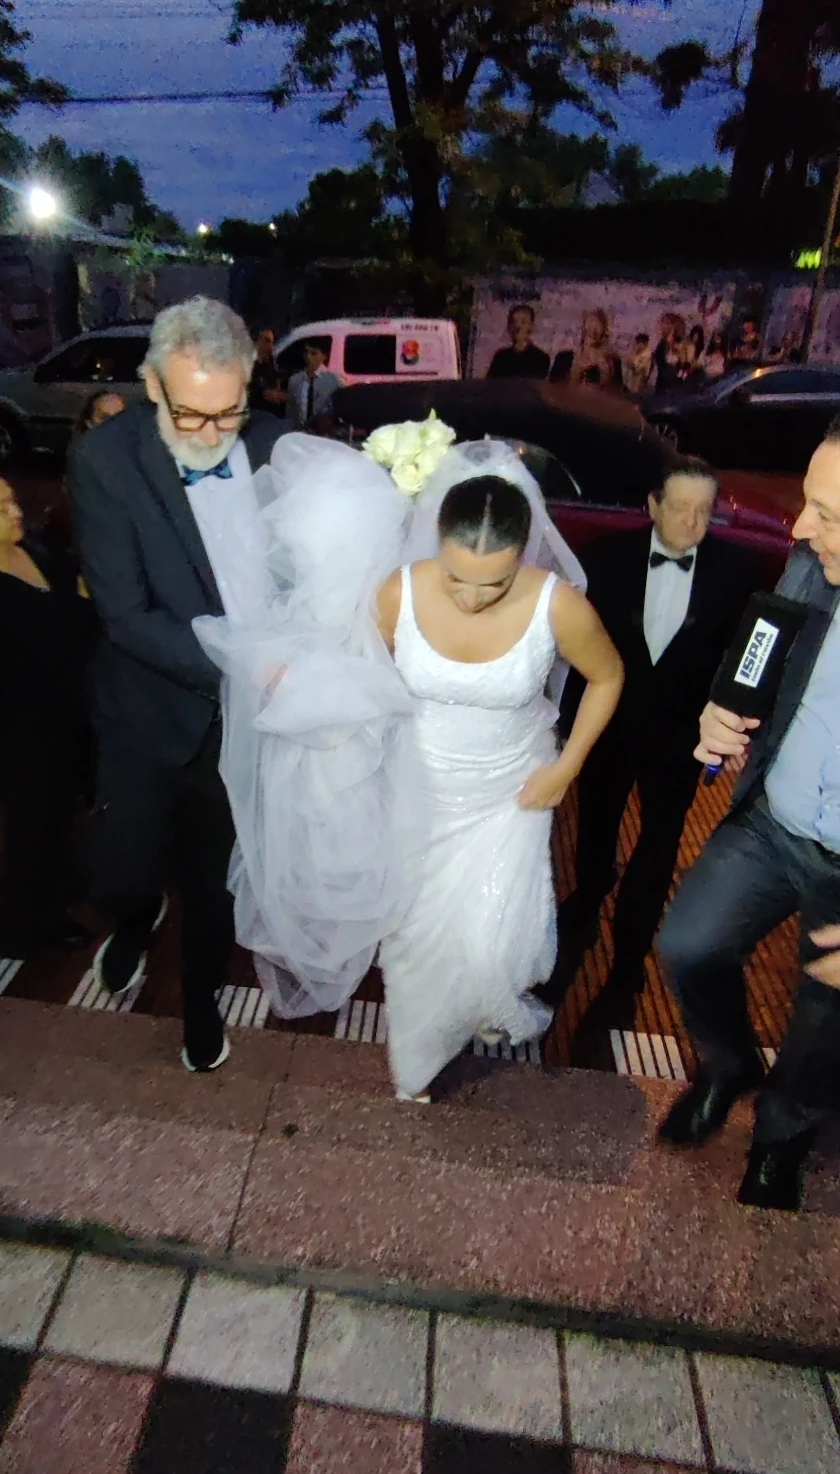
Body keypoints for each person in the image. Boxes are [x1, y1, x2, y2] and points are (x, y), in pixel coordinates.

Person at [195, 435, 622, 1104]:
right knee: (413, 951)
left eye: (495, 582)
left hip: (509, 794)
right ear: (435, 546)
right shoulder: (399, 593)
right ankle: (415, 1070)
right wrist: (302, 684)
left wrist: (567, 766)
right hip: (416, 793)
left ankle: (472, 1007)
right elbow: (359, 672)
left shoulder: (558, 605)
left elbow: (607, 677)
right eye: (457, 578)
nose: (474, 597)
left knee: (489, 949)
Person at [68, 295, 287, 1073]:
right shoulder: (104, 461)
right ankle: (135, 917)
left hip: (237, 724)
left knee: (215, 883)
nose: (210, 435)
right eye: (190, 415)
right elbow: (125, 616)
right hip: (143, 707)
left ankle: (199, 1005)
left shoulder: (280, 445)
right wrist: (244, 663)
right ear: (153, 386)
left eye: (227, 414)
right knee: (118, 870)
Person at [657, 419, 840, 1210]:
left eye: (829, 514)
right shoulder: (809, 565)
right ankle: (727, 1064)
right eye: (809, 504)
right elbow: (755, 667)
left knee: (821, 1024)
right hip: (773, 821)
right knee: (688, 946)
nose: (800, 528)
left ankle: (780, 1141)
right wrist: (717, 719)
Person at [557, 461, 758, 1020]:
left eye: (704, 510)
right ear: (651, 505)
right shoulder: (604, 559)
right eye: (679, 507)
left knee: (661, 841)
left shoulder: (737, 569)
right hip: (612, 724)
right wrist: (571, 726)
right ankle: (589, 894)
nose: (693, 522)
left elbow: (741, 658)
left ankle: (631, 950)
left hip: (681, 737)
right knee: (596, 821)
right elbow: (579, 660)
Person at [0, 459, 97, 952]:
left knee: (61, 807)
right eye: (1, 507)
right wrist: (78, 606)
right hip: (22, 721)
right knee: (31, 815)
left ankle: (62, 886)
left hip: (65, 707)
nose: (16, 511)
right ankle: (33, 921)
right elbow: (52, 634)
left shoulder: (31, 548)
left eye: (13, 500)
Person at [550, 308, 622, 388]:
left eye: (597, 331)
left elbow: (617, 395)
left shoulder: (613, 363)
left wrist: (606, 374)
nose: (593, 332)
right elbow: (553, 391)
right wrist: (576, 371)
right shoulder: (563, 358)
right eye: (589, 331)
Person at [486, 304, 551, 381]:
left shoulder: (540, 359)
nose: (518, 327)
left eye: (523, 322)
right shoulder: (501, 357)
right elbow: (490, 386)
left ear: (531, 327)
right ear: (508, 327)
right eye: (514, 322)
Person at [285, 338, 339, 426]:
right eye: (306, 352)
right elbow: (291, 412)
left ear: (324, 356)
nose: (308, 357)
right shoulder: (295, 380)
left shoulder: (333, 381)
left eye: (314, 353)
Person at [249, 327, 288, 412]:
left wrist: (277, 394)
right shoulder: (247, 363)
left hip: (269, 412)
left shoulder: (270, 365)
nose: (270, 346)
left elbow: (275, 385)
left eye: (271, 342)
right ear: (258, 340)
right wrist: (263, 393)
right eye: (267, 340)